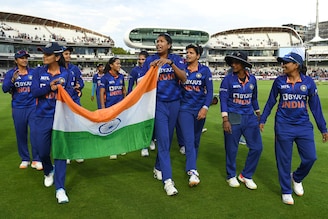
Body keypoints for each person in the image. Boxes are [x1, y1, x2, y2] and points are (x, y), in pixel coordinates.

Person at [259, 49, 328, 205]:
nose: (283, 65)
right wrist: (263, 119)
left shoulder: (308, 82)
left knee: (311, 157)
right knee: (284, 160)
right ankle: (286, 190)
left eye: (286, 62)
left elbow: (315, 107)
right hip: (283, 125)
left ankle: (296, 177)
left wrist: (323, 129)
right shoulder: (279, 81)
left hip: (303, 126)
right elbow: (271, 101)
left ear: (296, 65)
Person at [140, 33, 187, 196]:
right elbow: (142, 84)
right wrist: (151, 69)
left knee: (166, 139)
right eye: (157, 41)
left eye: (161, 41)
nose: (158, 44)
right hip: (158, 104)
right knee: (164, 141)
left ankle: (158, 167)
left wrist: (171, 63)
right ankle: (168, 181)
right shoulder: (149, 60)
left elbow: (184, 78)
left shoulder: (177, 59)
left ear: (169, 44)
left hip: (174, 104)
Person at [31, 42, 73, 204]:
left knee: (60, 153)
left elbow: (69, 96)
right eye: (44, 53)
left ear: (57, 57)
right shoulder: (37, 72)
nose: (44, 56)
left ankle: (60, 188)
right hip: (42, 117)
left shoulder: (66, 74)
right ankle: (48, 171)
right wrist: (50, 87)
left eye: (48, 54)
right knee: (42, 152)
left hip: (60, 118)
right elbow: (34, 92)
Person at [219, 51, 263, 190]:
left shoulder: (253, 80)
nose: (234, 64)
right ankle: (231, 175)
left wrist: (258, 114)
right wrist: (225, 119)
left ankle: (246, 175)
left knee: (257, 147)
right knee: (232, 149)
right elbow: (224, 100)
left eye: (237, 62)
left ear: (244, 64)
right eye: (232, 62)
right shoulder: (227, 79)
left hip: (250, 116)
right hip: (233, 116)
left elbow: (254, 98)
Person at [178, 44, 213, 187]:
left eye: (191, 53)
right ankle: (192, 171)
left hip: (199, 110)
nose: (188, 55)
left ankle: (191, 162)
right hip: (184, 109)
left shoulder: (205, 71)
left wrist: (205, 108)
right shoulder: (181, 70)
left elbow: (210, 92)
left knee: (196, 140)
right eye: (187, 52)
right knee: (189, 140)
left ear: (198, 56)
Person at [2, 50, 42, 170]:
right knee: (21, 134)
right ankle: (25, 158)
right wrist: (12, 80)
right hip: (18, 107)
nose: (24, 60)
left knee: (35, 133)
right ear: (16, 60)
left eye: (26, 58)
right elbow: (4, 89)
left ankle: (36, 159)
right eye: (21, 58)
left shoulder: (34, 72)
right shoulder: (11, 73)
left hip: (33, 107)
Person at [127, 51, 156, 157]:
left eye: (143, 59)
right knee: (142, 122)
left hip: (152, 99)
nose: (140, 61)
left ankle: (151, 139)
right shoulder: (135, 70)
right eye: (139, 59)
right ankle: (144, 146)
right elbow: (130, 85)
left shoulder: (153, 69)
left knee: (153, 120)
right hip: (140, 100)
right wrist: (129, 98)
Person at [99, 57, 127, 160]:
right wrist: (102, 108)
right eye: (117, 64)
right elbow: (101, 93)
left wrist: (125, 102)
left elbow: (123, 90)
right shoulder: (105, 78)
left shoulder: (121, 77)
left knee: (120, 127)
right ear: (111, 65)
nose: (119, 65)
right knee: (111, 128)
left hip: (120, 107)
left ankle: (120, 147)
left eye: (120, 64)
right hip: (109, 107)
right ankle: (112, 149)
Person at [62, 46, 85, 164]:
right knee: (65, 128)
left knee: (76, 127)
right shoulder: (58, 69)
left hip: (75, 102)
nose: (68, 56)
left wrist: (79, 87)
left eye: (69, 54)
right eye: (66, 54)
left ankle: (77, 152)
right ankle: (67, 153)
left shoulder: (74, 68)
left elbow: (81, 81)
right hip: (62, 104)